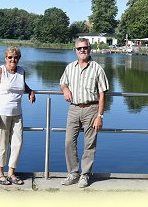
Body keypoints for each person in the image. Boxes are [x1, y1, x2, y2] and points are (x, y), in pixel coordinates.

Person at [59, 38, 109, 188]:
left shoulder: (97, 68)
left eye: (85, 48)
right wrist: (65, 89)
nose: (82, 50)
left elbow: (102, 94)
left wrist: (100, 116)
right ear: (75, 50)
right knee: (69, 142)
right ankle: (73, 173)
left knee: (89, 144)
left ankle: (85, 175)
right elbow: (62, 82)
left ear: (90, 49)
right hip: (74, 109)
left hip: (91, 109)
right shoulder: (70, 67)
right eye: (79, 48)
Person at [0, 46, 36, 185]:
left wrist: (30, 91)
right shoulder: (0, 71)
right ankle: (0, 174)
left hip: (17, 114)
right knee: (2, 144)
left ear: (19, 59)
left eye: (15, 57)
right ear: (5, 58)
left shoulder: (21, 71)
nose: (13, 60)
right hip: (1, 113)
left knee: (17, 143)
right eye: (10, 57)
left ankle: (11, 173)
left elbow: (21, 85)